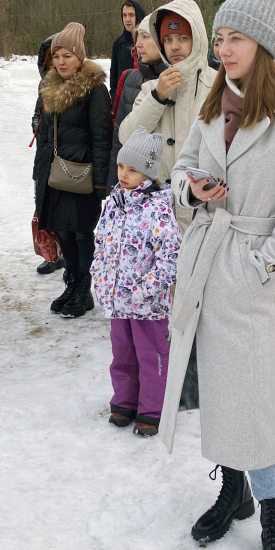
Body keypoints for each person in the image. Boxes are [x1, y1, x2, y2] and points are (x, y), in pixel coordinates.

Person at [159, 0, 275, 550]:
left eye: (235, 39)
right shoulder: (210, 103)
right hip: (204, 259)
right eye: (221, 39)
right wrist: (191, 190)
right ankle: (233, 494)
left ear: (264, 43)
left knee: (251, 402)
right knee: (215, 387)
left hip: (249, 275)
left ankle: (274, 517)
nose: (224, 50)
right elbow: (182, 169)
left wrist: (263, 265)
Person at [92, 126, 180, 437]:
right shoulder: (113, 205)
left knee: (151, 355)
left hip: (147, 303)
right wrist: (100, 277)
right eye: (121, 166)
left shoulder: (158, 207)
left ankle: (152, 409)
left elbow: (170, 256)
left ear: (148, 172)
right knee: (122, 352)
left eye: (133, 169)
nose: (124, 174)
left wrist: (148, 289)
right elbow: (101, 242)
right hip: (118, 300)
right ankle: (124, 402)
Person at [33, 22, 112, 318]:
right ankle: (72, 281)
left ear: (80, 57)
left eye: (67, 55)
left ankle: (84, 289)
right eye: (56, 56)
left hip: (82, 174)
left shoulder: (94, 90)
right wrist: (39, 173)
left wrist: (102, 181)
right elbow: (43, 135)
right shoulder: (49, 87)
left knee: (81, 232)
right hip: (54, 173)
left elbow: (103, 136)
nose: (61, 62)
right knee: (63, 230)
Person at [119, 0, 216, 231]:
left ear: (198, 39)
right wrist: (158, 97)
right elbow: (127, 137)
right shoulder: (151, 88)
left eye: (183, 38)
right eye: (168, 39)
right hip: (158, 216)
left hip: (205, 212)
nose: (174, 46)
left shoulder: (218, 87)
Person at [108, 19, 167, 189]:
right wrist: (114, 181)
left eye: (145, 37)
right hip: (131, 186)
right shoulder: (130, 78)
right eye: (137, 37)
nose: (138, 44)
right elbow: (120, 135)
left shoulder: (181, 80)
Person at [31, 32, 65, 277]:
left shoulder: (74, 85)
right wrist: (39, 128)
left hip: (65, 160)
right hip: (44, 157)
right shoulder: (44, 86)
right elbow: (37, 116)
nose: (54, 65)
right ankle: (51, 254)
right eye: (50, 61)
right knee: (43, 207)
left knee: (63, 210)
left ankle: (66, 256)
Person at [110, 0, 146, 98]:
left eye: (131, 15)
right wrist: (114, 95)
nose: (127, 19)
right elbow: (114, 73)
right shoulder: (118, 43)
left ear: (138, 16)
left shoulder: (150, 41)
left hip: (143, 97)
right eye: (124, 15)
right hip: (123, 98)